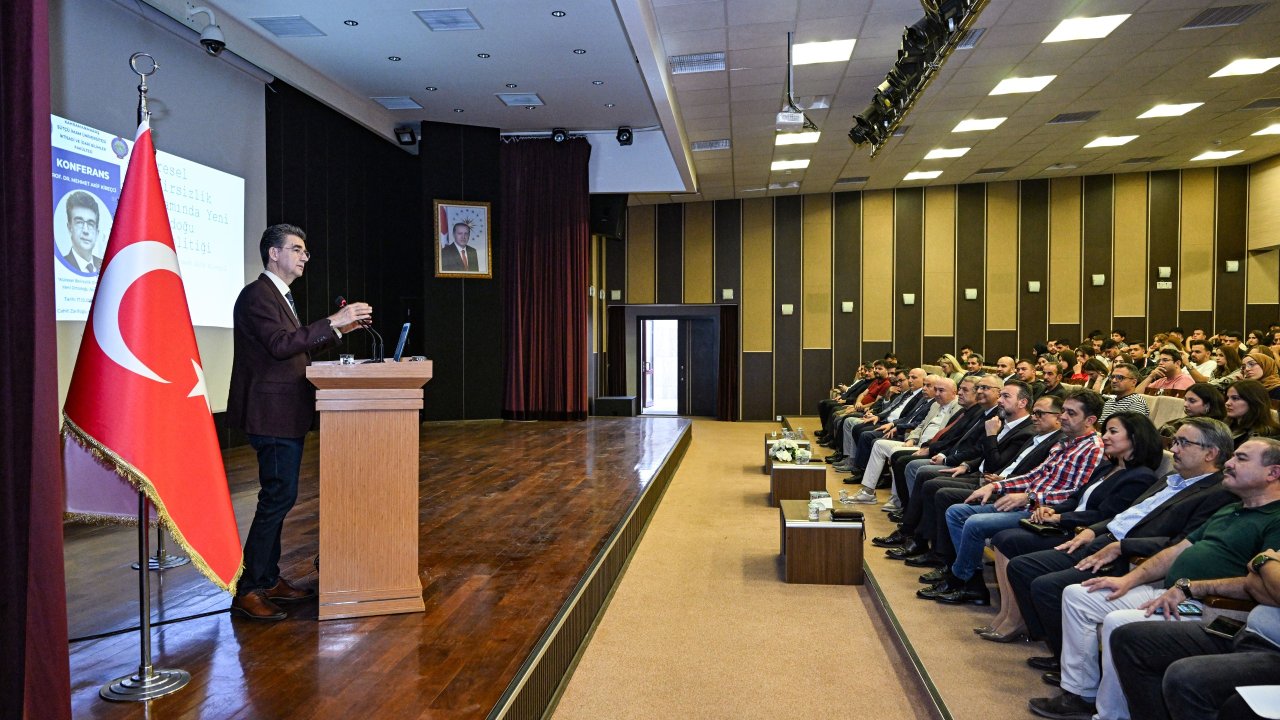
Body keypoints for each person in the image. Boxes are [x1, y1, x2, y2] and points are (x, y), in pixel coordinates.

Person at [1029, 437, 1280, 720]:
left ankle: (1113, 714)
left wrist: (1193, 588)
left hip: (1216, 607)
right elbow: (1178, 550)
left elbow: (1262, 585)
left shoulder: (1275, 518)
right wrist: (1129, 580)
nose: (1229, 464)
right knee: (1080, 596)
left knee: (1119, 622)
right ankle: (1081, 693)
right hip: (1173, 590)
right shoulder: (1232, 508)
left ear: (1273, 473)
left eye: (1241, 459)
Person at [226, 224, 372, 621]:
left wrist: (339, 328)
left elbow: (293, 349)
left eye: (305, 251)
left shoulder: (279, 296)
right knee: (277, 497)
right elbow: (279, 346)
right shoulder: (258, 295)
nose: (305, 256)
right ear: (273, 254)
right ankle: (249, 588)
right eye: (296, 249)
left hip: (284, 412)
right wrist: (332, 320)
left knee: (281, 496)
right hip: (270, 413)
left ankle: (269, 579)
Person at [979, 412, 1161, 642]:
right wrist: (1053, 510)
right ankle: (1008, 614)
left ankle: (1017, 619)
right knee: (1004, 538)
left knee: (1010, 541)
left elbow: (1105, 515)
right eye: (1105, 431)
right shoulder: (1108, 467)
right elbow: (1076, 499)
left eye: (1113, 432)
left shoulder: (1140, 477)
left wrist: (1059, 519)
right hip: (1068, 524)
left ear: (1135, 438)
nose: (1105, 437)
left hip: (1083, 534)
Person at [1111, 540, 1280, 720]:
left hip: (1273, 651)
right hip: (1247, 632)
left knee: (1185, 677)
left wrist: (1264, 561)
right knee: (1131, 639)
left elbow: (1271, 585)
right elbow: (1251, 583)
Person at [1159, 382, 1226, 439]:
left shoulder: (1214, 428)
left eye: (1192, 401)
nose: (1185, 404)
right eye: (1185, 399)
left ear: (1208, 405)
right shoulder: (1183, 422)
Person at [1226, 380, 1280, 448]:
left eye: (1235, 398)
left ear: (1253, 401)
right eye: (1228, 398)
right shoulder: (1226, 425)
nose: (1227, 403)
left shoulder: (1262, 436)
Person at [62, 190, 104, 274]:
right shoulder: (62, 264)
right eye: (79, 222)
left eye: (90, 223)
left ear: (97, 233)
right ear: (69, 228)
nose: (85, 230)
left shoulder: (104, 268)